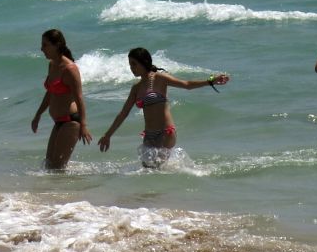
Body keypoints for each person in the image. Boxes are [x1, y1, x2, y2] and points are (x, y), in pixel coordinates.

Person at [97, 48, 229, 168]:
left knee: (156, 170)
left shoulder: (160, 78)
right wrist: (108, 135)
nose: (131, 68)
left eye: (134, 64)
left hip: (165, 132)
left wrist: (211, 80)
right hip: (148, 136)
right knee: (148, 172)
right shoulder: (136, 88)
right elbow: (123, 113)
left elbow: (187, 84)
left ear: (144, 62)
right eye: (130, 64)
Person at [31, 29, 92, 169]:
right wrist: (38, 115)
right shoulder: (52, 65)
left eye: (45, 45)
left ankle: (65, 191)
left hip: (71, 122)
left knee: (57, 167)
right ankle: (56, 191)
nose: (41, 49)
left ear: (57, 45)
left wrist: (83, 125)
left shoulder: (70, 69)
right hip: (58, 122)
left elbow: (79, 98)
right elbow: (50, 93)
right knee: (49, 165)